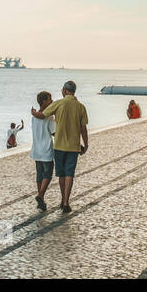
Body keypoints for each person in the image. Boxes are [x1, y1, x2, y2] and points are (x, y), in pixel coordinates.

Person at [35, 80, 88, 213]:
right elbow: (83, 129)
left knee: (61, 174)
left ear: (65, 90)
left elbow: (43, 115)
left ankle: (57, 198)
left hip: (59, 145)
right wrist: (85, 144)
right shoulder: (81, 107)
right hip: (73, 146)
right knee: (70, 173)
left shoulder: (59, 103)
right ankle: (65, 202)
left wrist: (33, 113)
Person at [30, 92, 56, 211]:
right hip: (46, 150)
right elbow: (54, 133)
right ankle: (40, 195)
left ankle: (41, 201)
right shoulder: (49, 117)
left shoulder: (34, 117)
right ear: (44, 101)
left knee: (39, 174)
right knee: (48, 174)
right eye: (49, 99)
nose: (51, 101)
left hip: (36, 150)